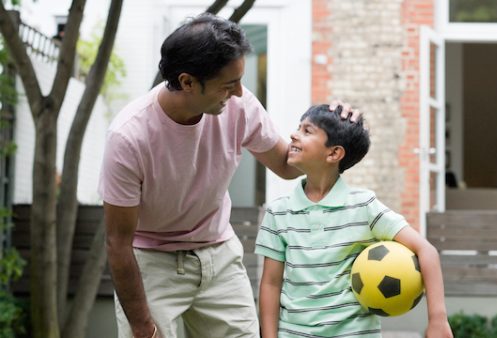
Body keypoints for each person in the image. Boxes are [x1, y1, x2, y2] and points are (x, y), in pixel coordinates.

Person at [99, 14, 357, 338]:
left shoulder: (240, 106)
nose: (238, 92)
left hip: (218, 256)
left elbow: (286, 165)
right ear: (188, 82)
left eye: (239, 81)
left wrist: (336, 134)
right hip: (152, 263)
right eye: (227, 84)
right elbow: (118, 242)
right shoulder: (129, 137)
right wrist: (140, 325)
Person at [255, 105, 454, 338]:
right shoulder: (278, 212)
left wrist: (438, 320)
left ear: (333, 154)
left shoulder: (364, 206)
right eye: (298, 128)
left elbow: (426, 251)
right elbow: (270, 284)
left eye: (307, 131)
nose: (293, 134)